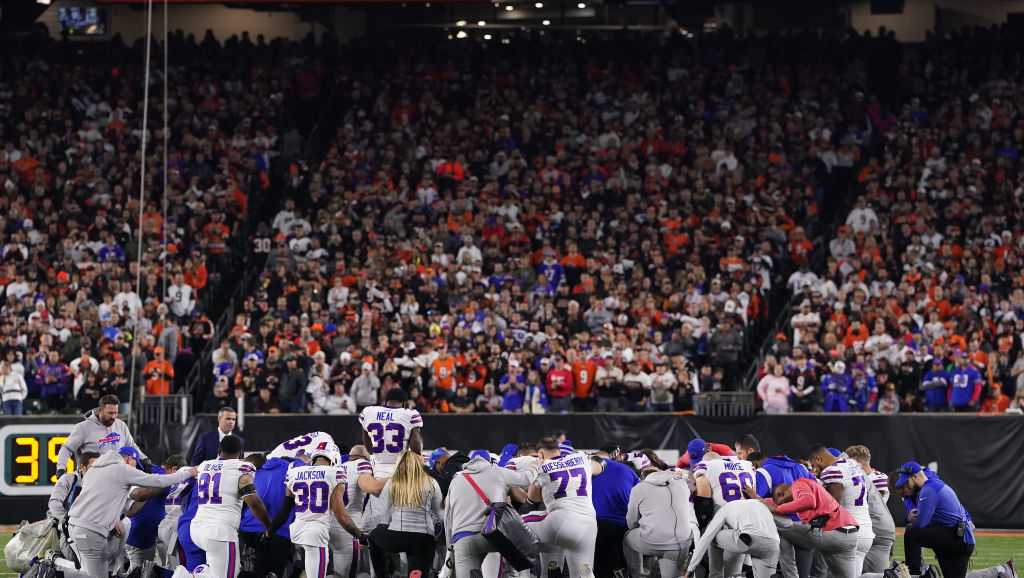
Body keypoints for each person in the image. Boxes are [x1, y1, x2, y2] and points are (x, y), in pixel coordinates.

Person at [66, 447, 195, 578]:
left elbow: (98, 499)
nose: (135, 468)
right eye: (134, 463)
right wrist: (187, 473)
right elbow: (158, 481)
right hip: (90, 531)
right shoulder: (121, 469)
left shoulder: (93, 470)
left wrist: (114, 519)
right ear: (128, 459)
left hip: (74, 527)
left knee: (102, 566)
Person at [270, 446, 366, 578]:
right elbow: (340, 515)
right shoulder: (335, 472)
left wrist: (270, 530)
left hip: (299, 529)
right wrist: (359, 534)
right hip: (316, 531)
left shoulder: (294, 471)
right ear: (334, 457)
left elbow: (286, 508)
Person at [190, 435, 273, 578]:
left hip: (197, 528)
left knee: (218, 571)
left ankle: (198, 573)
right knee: (230, 574)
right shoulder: (242, 468)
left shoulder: (204, 465)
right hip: (221, 533)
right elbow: (254, 502)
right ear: (240, 452)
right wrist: (269, 525)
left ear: (219, 449)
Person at [444, 448, 535, 578]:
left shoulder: (456, 480)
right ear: (490, 461)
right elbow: (526, 479)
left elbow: (448, 519)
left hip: (463, 538)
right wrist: (535, 466)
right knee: (518, 566)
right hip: (493, 533)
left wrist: (450, 547)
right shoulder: (496, 471)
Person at [526, 437, 601, 578]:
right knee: (584, 571)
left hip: (559, 520)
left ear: (540, 453)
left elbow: (531, 499)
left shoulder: (542, 467)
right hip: (588, 525)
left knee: (510, 525)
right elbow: (600, 466)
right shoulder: (582, 459)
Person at [368, 450, 444, 578]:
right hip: (423, 538)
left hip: (398, 536)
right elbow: (439, 515)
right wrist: (436, 537)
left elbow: (383, 515)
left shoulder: (393, 482)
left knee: (373, 537)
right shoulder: (432, 482)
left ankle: (384, 574)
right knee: (416, 574)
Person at [765, 477, 860, 578]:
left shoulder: (798, 484)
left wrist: (779, 509)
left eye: (781, 499)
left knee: (782, 527)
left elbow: (809, 501)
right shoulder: (812, 488)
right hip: (850, 536)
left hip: (831, 532)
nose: (784, 503)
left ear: (782, 492)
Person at [895, 461, 975, 578]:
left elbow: (921, 523)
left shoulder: (929, 489)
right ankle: (999, 572)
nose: (906, 487)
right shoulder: (935, 484)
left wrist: (909, 519)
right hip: (962, 539)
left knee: (911, 532)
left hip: (956, 538)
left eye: (906, 482)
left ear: (915, 477)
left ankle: (913, 573)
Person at [808, 445, 874, 573]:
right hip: (865, 531)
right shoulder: (852, 464)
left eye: (813, 465)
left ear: (818, 459)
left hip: (849, 531)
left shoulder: (831, 471)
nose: (814, 469)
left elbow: (832, 505)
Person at [624, 466, 697, 578]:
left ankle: (639, 573)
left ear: (643, 478)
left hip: (652, 542)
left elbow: (631, 520)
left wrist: (640, 526)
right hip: (682, 542)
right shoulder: (681, 484)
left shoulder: (639, 488)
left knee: (628, 536)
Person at [686, 500, 780, 578]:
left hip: (747, 540)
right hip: (773, 546)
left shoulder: (724, 509)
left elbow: (705, 538)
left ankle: (715, 576)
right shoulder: (759, 504)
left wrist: (689, 570)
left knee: (712, 536)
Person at [57, 395, 147, 475]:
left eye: (116, 413)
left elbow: (131, 446)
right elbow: (67, 448)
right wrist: (61, 468)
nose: (114, 417)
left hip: (118, 478)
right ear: (100, 410)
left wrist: (144, 459)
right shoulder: (83, 428)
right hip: (92, 479)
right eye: (110, 413)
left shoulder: (121, 425)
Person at [333, 445, 385, 578]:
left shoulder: (338, 467)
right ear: (364, 456)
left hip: (332, 522)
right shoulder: (362, 464)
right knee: (349, 572)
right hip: (350, 524)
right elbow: (369, 487)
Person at [844, 445, 896, 572]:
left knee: (875, 572)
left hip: (875, 528)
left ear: (856, 461)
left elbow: (872, 505)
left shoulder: (878, 479)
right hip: (867, 528)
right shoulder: (859, 478)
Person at [590, 449, 639, 578]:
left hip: (595, 524)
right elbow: (639, 499)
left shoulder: (586, 468)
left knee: (599, 566)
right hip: (623, 526)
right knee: (622, 565)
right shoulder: (628, 470)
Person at [267, 431, 337, 460]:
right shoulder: (324, 440)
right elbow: (306, 458)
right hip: (277, 458)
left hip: (277, 452)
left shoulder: (322, 434)